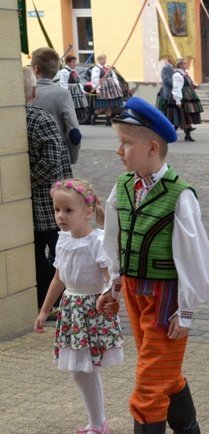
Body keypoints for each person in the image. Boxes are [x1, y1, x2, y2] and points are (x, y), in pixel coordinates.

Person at [97, 97, 209, 432]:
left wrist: (187, 309)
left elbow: (194, 255)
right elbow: (114, 239)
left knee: (148, 387)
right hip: (135, 293)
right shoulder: (123, 187)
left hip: (166, 299)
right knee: (164, 373)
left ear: (151, 148)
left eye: (125, 143)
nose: (119, 150)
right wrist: (114, 285)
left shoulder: (180, 195)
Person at [34, 178, 123, 434]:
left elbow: (111, 278)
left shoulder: (96, 240)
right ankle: (97, 422)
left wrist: (111, 299)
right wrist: (43, 310)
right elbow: (59, 278)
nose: (61, 216)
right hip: (71, 310)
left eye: (68, 210)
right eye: (57, 210)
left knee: (84, 369)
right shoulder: (63, 240)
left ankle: (98, 424)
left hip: (91, 312)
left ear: (87, 211)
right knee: (79, 370)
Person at [24, 66, 73, 316]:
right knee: (58, 254)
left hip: (34, 203)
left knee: (40, 253)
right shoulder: (38, 118)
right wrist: (25, 184)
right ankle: (53, 302)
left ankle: (46, 300)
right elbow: (52, 160)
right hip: (49, 203)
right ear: (33, 90)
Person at [31, 47, 82, 164]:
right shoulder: (62, 94)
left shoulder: (24, 94)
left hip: (30, 158)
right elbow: (75, 133)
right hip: (57, 156)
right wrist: (72, 158)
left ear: (36, 69)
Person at [161, 57, 203, 142]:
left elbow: (188, 82)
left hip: (187, 96)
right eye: (184, 63)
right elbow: (177, 88)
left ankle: (187, 135)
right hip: (181, 97)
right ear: (180, 65)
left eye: (186, 63)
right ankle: (170, 133)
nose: (186, 65)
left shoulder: (184, 73)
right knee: (180, 117)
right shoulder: (177, 75)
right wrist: (178, 100)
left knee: (185, 117)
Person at [89, 54, 123, 127]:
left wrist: (118, 86)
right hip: (103, 88)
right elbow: (94, 79)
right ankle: (94, 116)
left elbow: (114, 77)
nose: (103, 61)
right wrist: (97, 89)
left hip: (111, 88)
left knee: (109, 105)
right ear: (98, 60)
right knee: (103, 105)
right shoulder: (96, 68)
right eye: (101, 59)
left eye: (104, 59)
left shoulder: (108, 68)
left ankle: (108, 121)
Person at [58, 54, 90, 123]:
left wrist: (83, 91)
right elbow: (63, 84)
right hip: (71, 93)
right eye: (73, 62)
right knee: (71, 110)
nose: (75, 64)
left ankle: (76, 125)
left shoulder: (74, 71)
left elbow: (79, 83)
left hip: (77, 92)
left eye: (75, 62)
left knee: (78, 111)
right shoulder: (64, 71)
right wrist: (66, 94)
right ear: (68, 62)